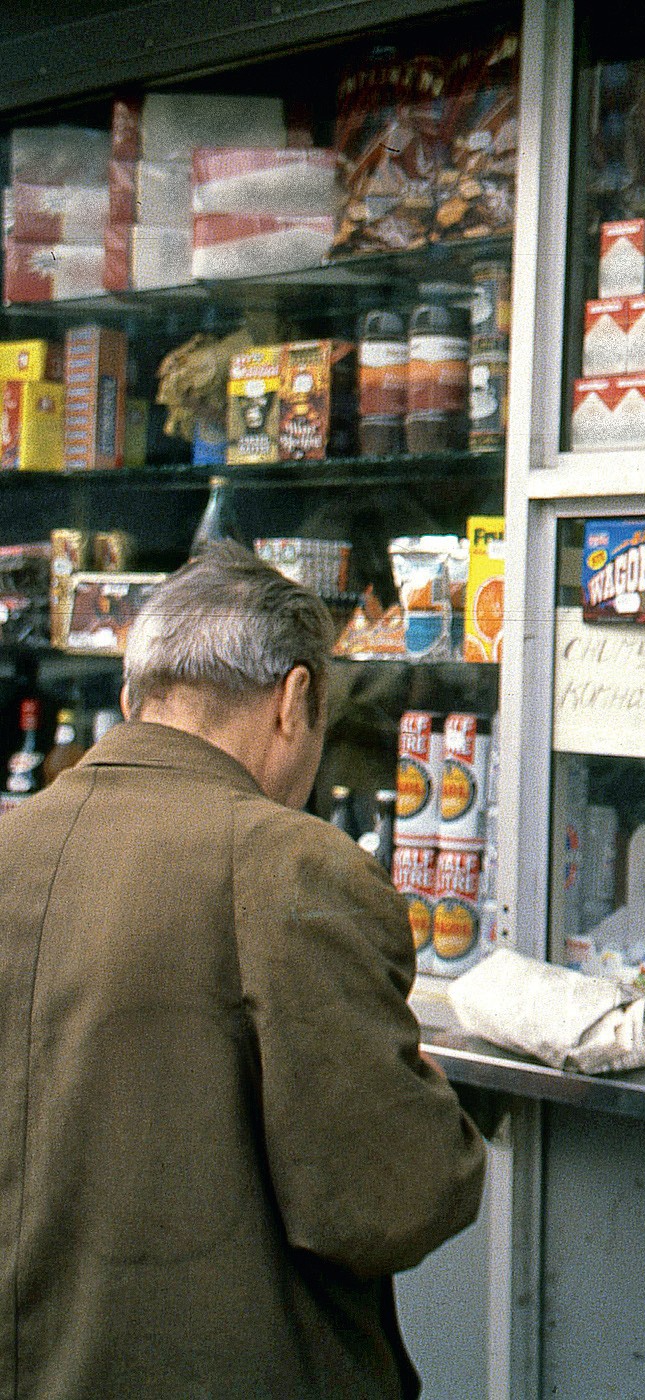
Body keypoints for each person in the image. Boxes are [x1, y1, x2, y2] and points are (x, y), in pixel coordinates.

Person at [0, 542, 484, 1397]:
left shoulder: (12, 845)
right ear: (294, 701)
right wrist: (429, 1105)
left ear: (132, 698)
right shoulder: (295, 865)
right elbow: (389, 1203)